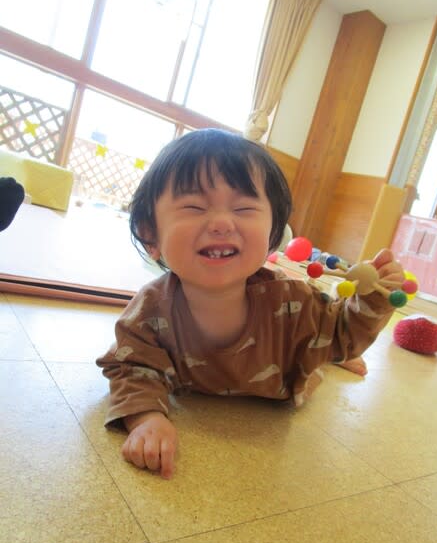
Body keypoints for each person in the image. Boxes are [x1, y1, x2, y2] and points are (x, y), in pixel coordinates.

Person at [96, 128, 404, 479]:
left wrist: (374, 297)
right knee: (323, 339)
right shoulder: (150, 311)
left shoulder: (294, 304)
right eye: (194, 207)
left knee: (326, 347)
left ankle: (330, 357)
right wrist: (147, 418)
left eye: (244, 208)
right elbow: (130, 366)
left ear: (272, 235)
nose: (222, 223)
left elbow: (346, 334)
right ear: (150, 234)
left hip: (289, 367)